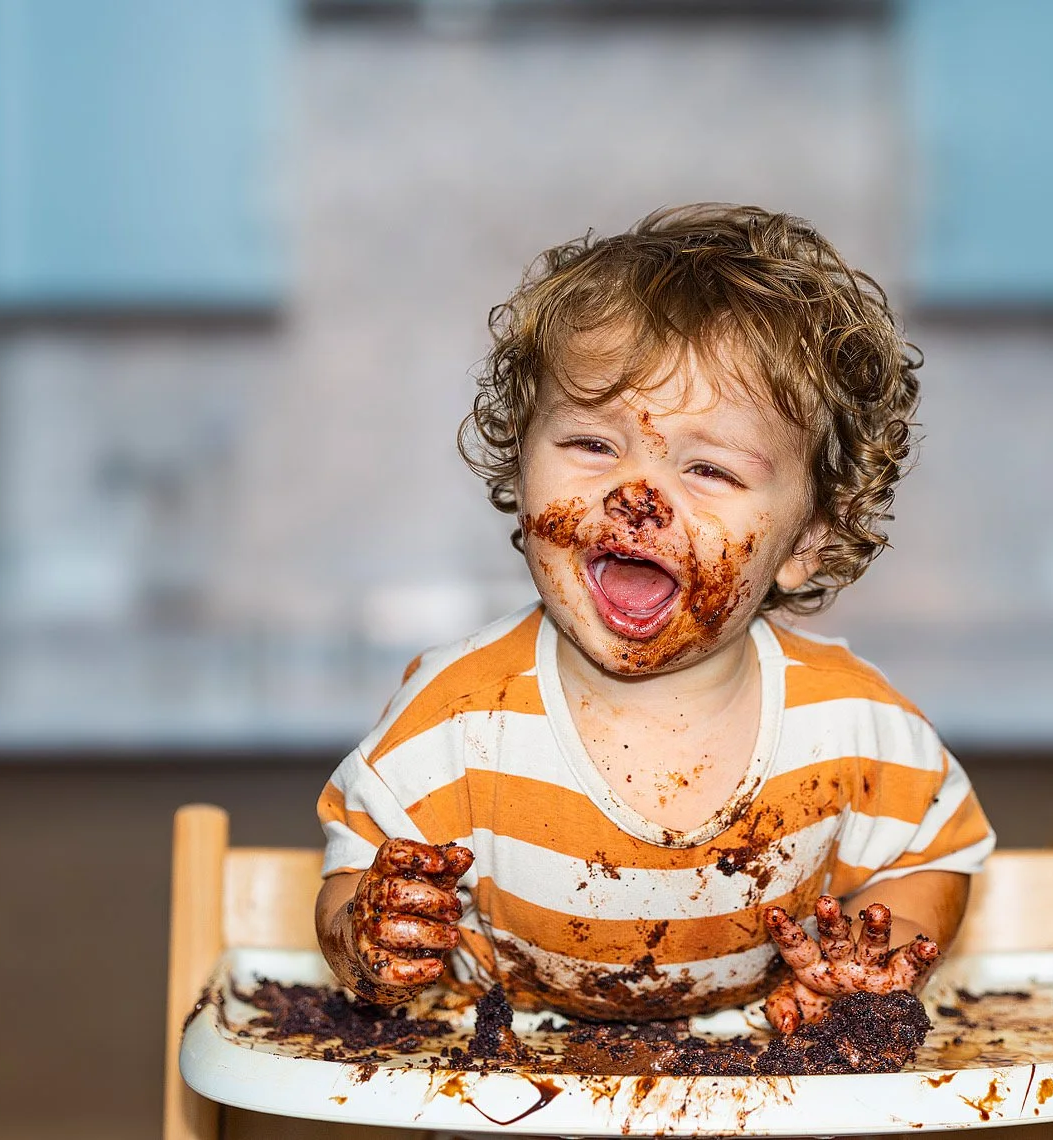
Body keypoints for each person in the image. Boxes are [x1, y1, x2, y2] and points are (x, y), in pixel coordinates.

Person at [314, 204, 994, 1034]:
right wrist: (373, 935)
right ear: (519, 460)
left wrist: (868, 965)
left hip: (763, 1097)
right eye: (592, 446)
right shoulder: (457, 716)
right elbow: (350, 891)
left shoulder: (851, 726)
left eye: (708, 468)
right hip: (495, 1092)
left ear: (807, 541)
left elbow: (930, 859)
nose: (636, 498)